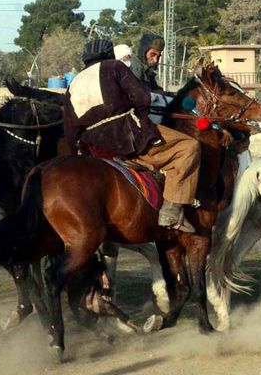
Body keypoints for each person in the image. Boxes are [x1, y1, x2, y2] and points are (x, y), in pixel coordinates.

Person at [65, 37, 201, 232]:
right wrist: (142, 118)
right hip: (126, 135)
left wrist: (76, 156)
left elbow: (70, 129)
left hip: (93, 145)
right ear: (109, 54)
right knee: (188, 147)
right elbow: (143, 98)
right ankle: (171, 211)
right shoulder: (114, 67)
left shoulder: (74, 83)